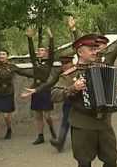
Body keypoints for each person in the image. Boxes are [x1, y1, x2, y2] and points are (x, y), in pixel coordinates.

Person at [50, 22, 117, 167]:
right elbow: (54, 95)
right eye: (92, 48)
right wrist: (73, 88)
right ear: (80, 51)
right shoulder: (70, 73)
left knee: (111, 158)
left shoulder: (104, 68)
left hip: (104, 123)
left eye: (96, 48)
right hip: (82, 123)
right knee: (84, 160)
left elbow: (115, 94)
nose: (96, 51)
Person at [21, 17, 79, 152]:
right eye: (63, 63)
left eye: (67, 63)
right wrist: (34, 91)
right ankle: (58, 141)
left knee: (72, 121)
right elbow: (51, 82)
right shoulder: (53, 69)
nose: (65, 66)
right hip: (64, 97)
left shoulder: (77, 69)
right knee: (65, 119)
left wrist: (53, 37)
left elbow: (78, 48)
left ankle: (70, 138)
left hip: (80, 99)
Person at [26, 27, 56, 145]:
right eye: (39, 50)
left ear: (46, 52)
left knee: (47, 116)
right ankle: (40, 136)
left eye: (42, 50)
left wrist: (51, 38)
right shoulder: (35, 61)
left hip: (45, 89)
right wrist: (29, 38)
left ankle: (52, 130)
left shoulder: (49, 62)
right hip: (35, 90)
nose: (40, 52)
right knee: (37, 114)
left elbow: (52, 51)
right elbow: (31, 51)